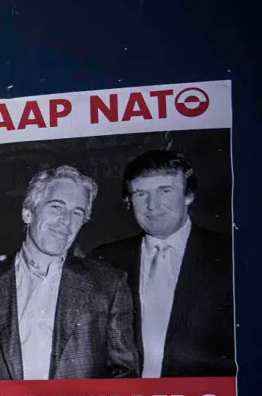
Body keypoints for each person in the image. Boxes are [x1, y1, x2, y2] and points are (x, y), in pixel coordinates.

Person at [0, 165, 138, 381]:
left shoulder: (108, 285)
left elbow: (124, 377)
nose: (66, 221)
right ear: (28, 213)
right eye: (56, 207)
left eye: (77, 213)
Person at [89, 150, 236, 377]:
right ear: (128, 200)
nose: (152, 205)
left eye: (164, 191)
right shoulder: (104, 260)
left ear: (188, 195)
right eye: (140, 194)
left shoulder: (231, 256)